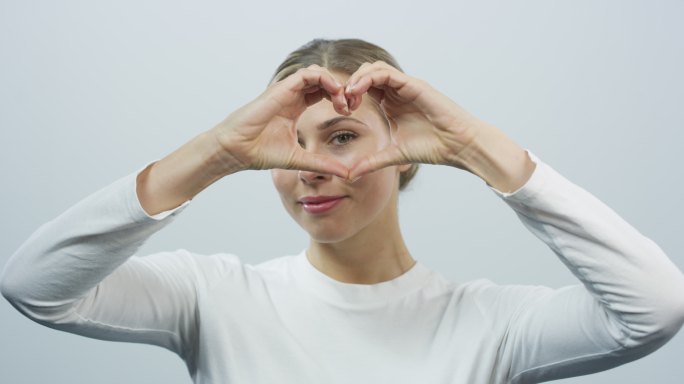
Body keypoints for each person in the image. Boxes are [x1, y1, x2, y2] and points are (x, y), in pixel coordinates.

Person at [1, 38, 683, 384]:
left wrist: (472, 144)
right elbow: (34, 287)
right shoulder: (211, 297)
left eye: (342, 137)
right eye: (287, 147)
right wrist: (216, 151)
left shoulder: (493, 324)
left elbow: (654, 307)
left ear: (408, 151)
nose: (310, 170)